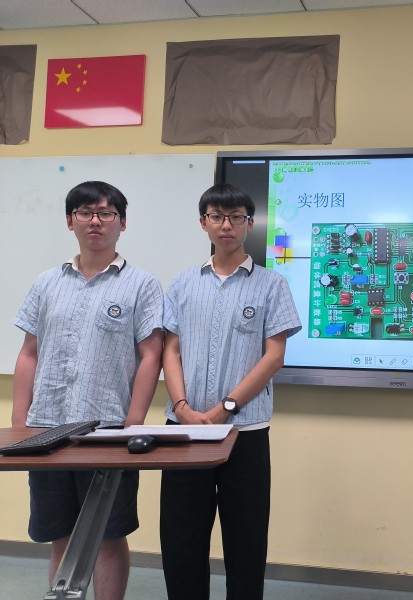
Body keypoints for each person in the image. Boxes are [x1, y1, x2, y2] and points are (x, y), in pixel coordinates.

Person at [11, 181, 163, 600]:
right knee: (59, 532)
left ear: (122, 223)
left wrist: (133, 423)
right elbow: (29, 352)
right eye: (84, 212)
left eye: (106, 213)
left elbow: (151, 355)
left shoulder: (142, 284)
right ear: (70, 221)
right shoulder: (46, 282)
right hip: (46, 428)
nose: (95, 221)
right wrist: (20, 422)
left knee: (107, 534)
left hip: (107, 430)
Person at [159, 183, 301, 600]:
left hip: (245, 431)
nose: (226, 225)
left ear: (249, 223)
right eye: (217, 216)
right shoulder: (183, 283)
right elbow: (170, 349)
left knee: (246, 541)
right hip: (183, 431)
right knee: (181, 540)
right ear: (203, 222)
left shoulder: (272, 285)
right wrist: (181, 407)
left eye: (236, 217)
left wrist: (226, 407)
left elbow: (274, 356)